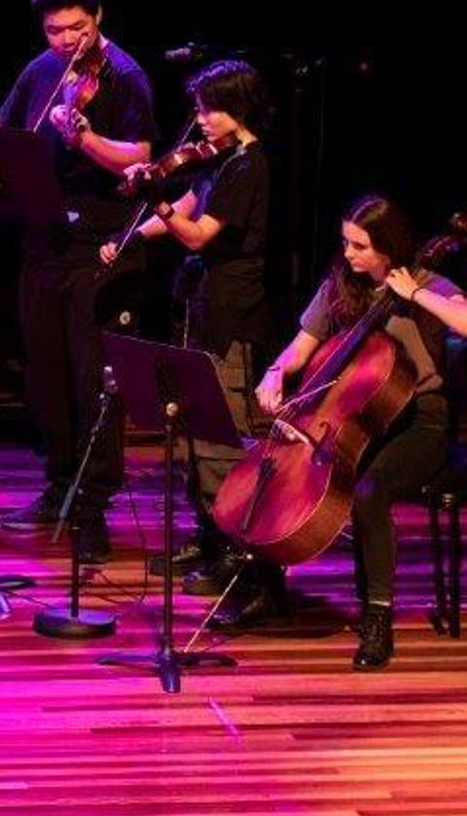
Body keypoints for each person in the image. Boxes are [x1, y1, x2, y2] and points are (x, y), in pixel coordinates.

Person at [250, 197, 467, 667]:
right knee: (275, 473)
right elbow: (301, 348)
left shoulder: (427, 283)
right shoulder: (341, 285)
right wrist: (275, 372)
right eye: (346, 242)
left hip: (420, 422)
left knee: (369, 491)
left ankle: (377, 615)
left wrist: (415, 295)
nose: (348, 253)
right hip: (357, 417)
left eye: (360, 246)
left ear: (388, 247)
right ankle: (268, 589)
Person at [0, 0, 155, 563]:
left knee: (94, 384)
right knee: (47, 378)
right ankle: (59, 485)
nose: (66, 41)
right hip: (44, 241)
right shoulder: (40, 69)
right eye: (55, 30)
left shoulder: (125, 75)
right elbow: (5, 132)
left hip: (98, 247)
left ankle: (93, 508)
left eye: (77, 29)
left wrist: (84, 139)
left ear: (98, 17)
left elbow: (140, 156)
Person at [98, 60, 274, 613]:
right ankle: (207, 538)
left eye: (208, 109)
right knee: (193, 432)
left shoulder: (249, 168)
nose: (199, 119)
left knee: (222, 438)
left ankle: (234, 553)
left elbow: (196, 235)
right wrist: (130, 235)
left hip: (231, 315)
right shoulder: (217, 160)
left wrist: (156, 200)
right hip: (200, 308)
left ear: (237, 110)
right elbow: (181, 212)